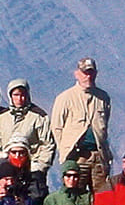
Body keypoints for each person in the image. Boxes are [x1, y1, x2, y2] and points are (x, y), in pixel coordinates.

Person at [48, 57, 113, 192]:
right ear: (77, 74)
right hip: (77, 157)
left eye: (91, 72)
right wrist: (66, 150)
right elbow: (56, 127)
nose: (88, 76)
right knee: (76, 194)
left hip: (98, 156)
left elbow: (105, 123)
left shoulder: (103, 98)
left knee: (102, 197)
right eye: (84, 72)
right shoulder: (65, 98)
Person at [0, 79, 53, 189]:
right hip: (6, 166)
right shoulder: (1, 118)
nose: (19, 98)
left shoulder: (39, 117)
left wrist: (40, 165)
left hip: (31, 166)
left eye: (23, 95)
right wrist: (0, 160)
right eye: (16, 95)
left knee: (36, 196)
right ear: (10, 96)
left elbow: (47, 144)